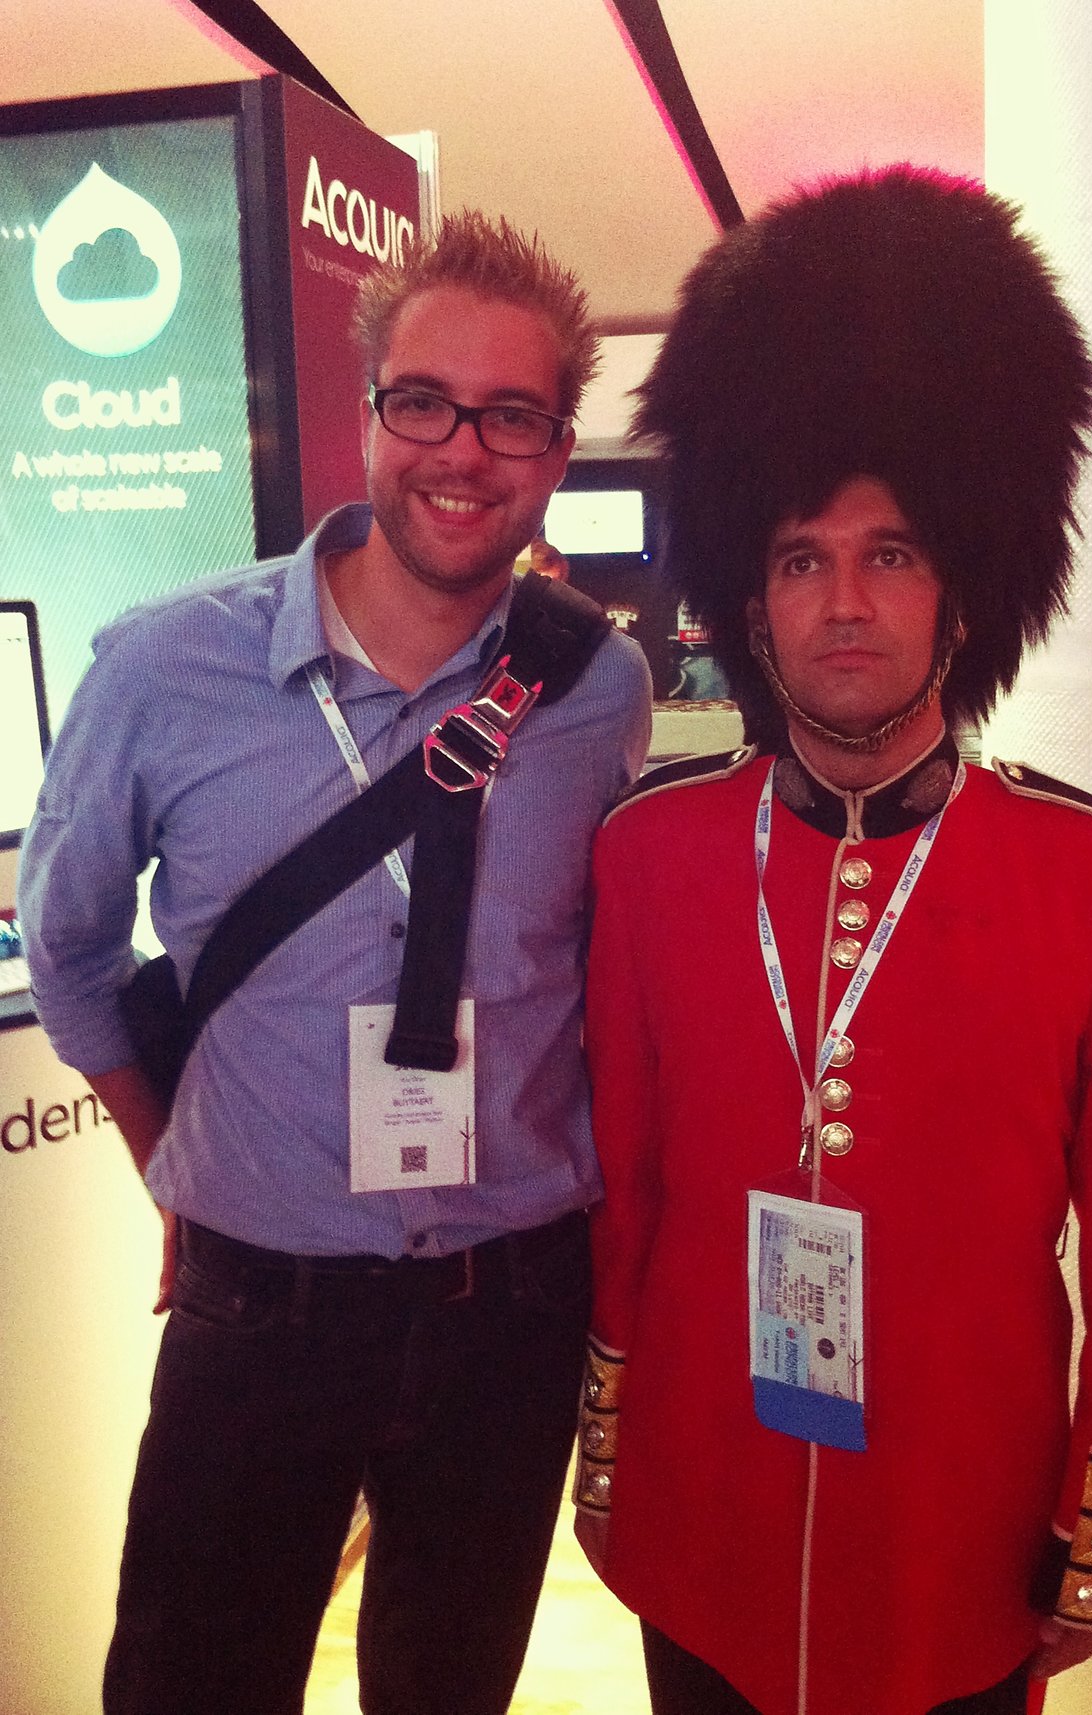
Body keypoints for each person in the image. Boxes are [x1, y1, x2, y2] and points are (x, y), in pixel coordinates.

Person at [573, 169, 1092, 1715]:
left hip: (955, 1542)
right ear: (751, 601)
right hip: (704, 1511)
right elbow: (628, 1192)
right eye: (801, 558)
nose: (844, 602)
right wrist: (611, 1441)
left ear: (962, 594)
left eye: (892, 554)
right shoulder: (650, 854)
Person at [19, 210, 651, 1715]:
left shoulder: (597, 686)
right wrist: (172, 1161)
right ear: (366, 414)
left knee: (450, 1689)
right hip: (260, 1304)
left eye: (511, 416)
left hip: (513, 1302)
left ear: (557, 452)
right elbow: (69, 945)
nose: (463, 452)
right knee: (189, 1686)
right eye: (425, 402)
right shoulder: (165, 667)